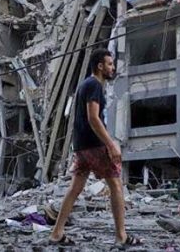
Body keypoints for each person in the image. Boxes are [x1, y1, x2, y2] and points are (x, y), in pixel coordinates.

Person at [49, 49, 142, 247]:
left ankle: (57, 233)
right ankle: (121, 236)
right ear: (100, 66)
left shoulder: (84, 85)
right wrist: (111, 144)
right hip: (94, 145)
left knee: (75, 188)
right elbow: (93, 118)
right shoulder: (94, 85)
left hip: (81, 146)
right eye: (110, 64)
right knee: (116, 185)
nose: (113, 68)